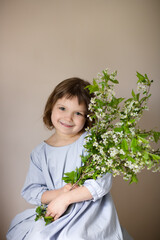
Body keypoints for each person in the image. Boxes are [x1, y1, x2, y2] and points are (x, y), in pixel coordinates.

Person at [6, 77, 133, 240]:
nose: (68, 118)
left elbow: (102, 182)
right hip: (55, 211)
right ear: (52, 106)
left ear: (88, 117)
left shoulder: (91, 142)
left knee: (74, 236)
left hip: (88, 214)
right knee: (35, 234)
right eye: (63, 108)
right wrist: (59, 194)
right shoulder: (40, 153)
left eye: (78, 113)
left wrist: (66, 198)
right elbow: (32, 191)